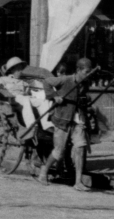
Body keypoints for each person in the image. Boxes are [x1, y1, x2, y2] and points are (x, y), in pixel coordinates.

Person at [40, 57, 95, 192]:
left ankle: (78, 182)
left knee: (80, 148)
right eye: (86, 72)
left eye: (89, 73)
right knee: (58, 152)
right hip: (62, 119)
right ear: (78, 70)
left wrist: (85, 102)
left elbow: (82, 99)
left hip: (77, 119)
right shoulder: (65, 79)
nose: (87, 75)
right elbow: (46, 82)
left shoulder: (85, 83)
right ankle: (44, 170)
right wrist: (54, 96)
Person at [0, 56, 52, 137]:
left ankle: (46, 125)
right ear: (12, 70)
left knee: (43, 102)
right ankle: (31, 126)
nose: (20, 71)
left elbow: (33, 89)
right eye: (18, 69)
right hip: (14, 98)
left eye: (21, 69)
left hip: (25, 98)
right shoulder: (3, 79)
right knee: (26, 100)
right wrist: (7, 94)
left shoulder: (24, 81)